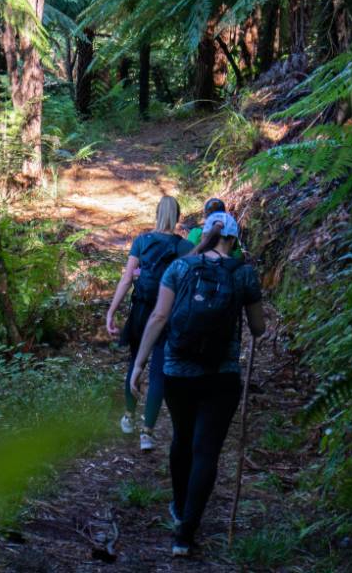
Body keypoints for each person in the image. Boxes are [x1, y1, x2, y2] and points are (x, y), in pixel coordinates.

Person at [129, 211, 266, 557]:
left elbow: (160, 317)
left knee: (182, 440)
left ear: (203, 234)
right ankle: (185, 533)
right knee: (206, 450)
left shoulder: (179, 267)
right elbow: (259, 327)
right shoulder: (243, 273)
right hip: (222, 376)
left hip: (178, 371)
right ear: (233, 241)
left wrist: (140, 364)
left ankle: (178, 506)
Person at [104, 196, 193, 451]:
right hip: (167, 313)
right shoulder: (184, 247)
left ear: (156, 214)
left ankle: (129, 417)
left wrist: (112, 311)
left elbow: (125, 280)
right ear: (177, 217)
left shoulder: (142, 241)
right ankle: (148, 432)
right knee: (158, 372)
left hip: (142, 311)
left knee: (135, 363)